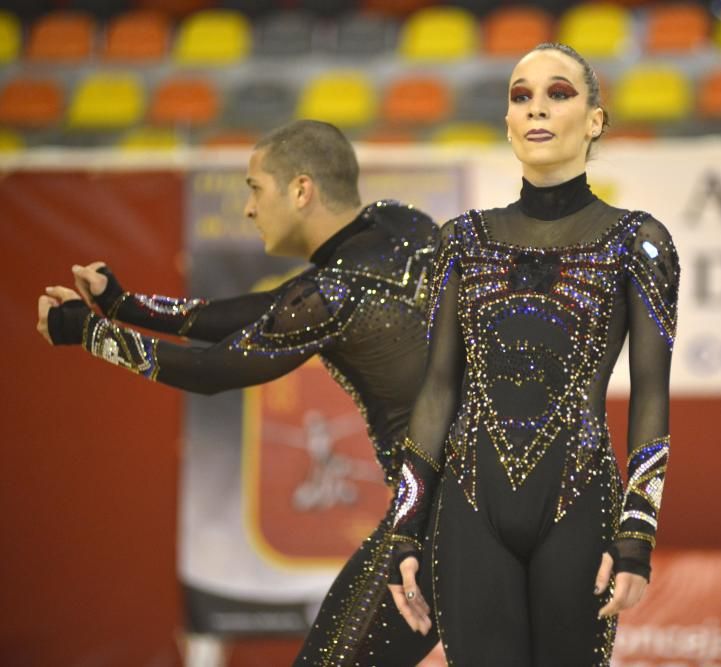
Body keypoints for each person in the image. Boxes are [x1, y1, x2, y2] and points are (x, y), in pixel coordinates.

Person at [36, 119, 441, 666]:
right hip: (516, 499)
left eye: (255, 188)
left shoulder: (333, 293)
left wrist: (85, 332)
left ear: (301, 190)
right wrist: (125, 306)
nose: (248, 208)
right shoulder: (405, 224)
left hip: (440, 522)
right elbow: (261, 311)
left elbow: (212, 371)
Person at [386, 43, 681, 666]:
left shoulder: (640, 242)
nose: (536, 109)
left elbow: (652, 395)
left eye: (559, 94)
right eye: (521, 97)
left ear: (595, 120)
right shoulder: (460, 241)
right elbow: (438, 390)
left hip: (579, 504)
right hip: (468, 509)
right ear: (508, 122)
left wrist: (637, 535)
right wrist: (404, 528)